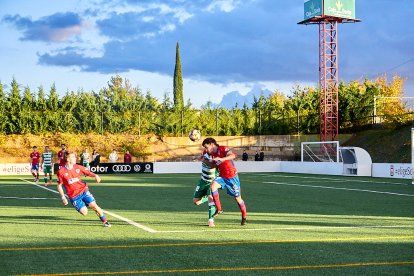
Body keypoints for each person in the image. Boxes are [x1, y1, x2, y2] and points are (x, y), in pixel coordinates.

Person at [57, 152, 111, 227]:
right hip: (74, 196)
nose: (75, 158)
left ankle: (105, 222)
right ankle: (86, 203)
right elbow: (59, 185)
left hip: (83, 191)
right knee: (84, 213)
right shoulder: (61, 172)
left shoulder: (78, 167)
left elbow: (88, 173)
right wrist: (63, 197)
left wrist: (95, 175)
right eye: (73, 157)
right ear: (68, 159)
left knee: (94, 205)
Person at [202, 137, 247, 226]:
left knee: (238, 199)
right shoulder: (212, 154)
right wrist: (206, 161)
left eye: (206, 147)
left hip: (232, 177)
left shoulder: (223, 148)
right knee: (213, 186)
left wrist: (222, 159)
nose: (206, 150)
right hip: (222, 177)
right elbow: (214, 166)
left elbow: (233, 155)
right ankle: (219, 209)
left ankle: (244, 217)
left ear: (212, 144)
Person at [193, 152, 218, 227]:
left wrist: (203, 160)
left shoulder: (216, 156)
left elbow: (213, 166)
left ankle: (211, 220)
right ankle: (209, 197)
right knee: (196, 202)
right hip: (202, 182)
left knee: (211, 198)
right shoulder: (204, 154)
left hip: (212, 181)